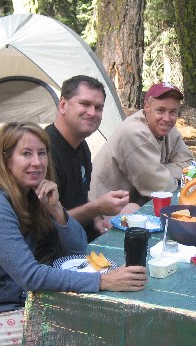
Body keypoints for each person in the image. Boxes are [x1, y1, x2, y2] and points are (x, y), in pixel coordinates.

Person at [0, 122, 147, 346]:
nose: (37, 162)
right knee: (93, 336)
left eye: (42, 153)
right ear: (6, 159)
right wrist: (104, 280)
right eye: (26, 154)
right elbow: (30, 276)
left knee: (101, 320)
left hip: (12, 303)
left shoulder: (30, 195)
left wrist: (56, 208)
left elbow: (77, 250)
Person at [89, 81, 194, 215]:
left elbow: (191, 167)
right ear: (147, 107)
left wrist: (160, 170)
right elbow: (162, 189)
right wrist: (162, 174)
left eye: (173, 112)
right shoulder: (135, 133)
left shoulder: (166, 129)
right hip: (100, 213)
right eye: (160, 110)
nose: (167, 118)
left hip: (131, 203)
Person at [45, 75, 130, 241]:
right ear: (62, 105)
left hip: (83, 236)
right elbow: (49, 225)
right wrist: (96, 208)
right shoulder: (43, 151)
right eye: (85, 104)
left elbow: (80, 198)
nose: (92, 113)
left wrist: (96, 218)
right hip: (58, 252)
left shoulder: (82, 147)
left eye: (98, 107)